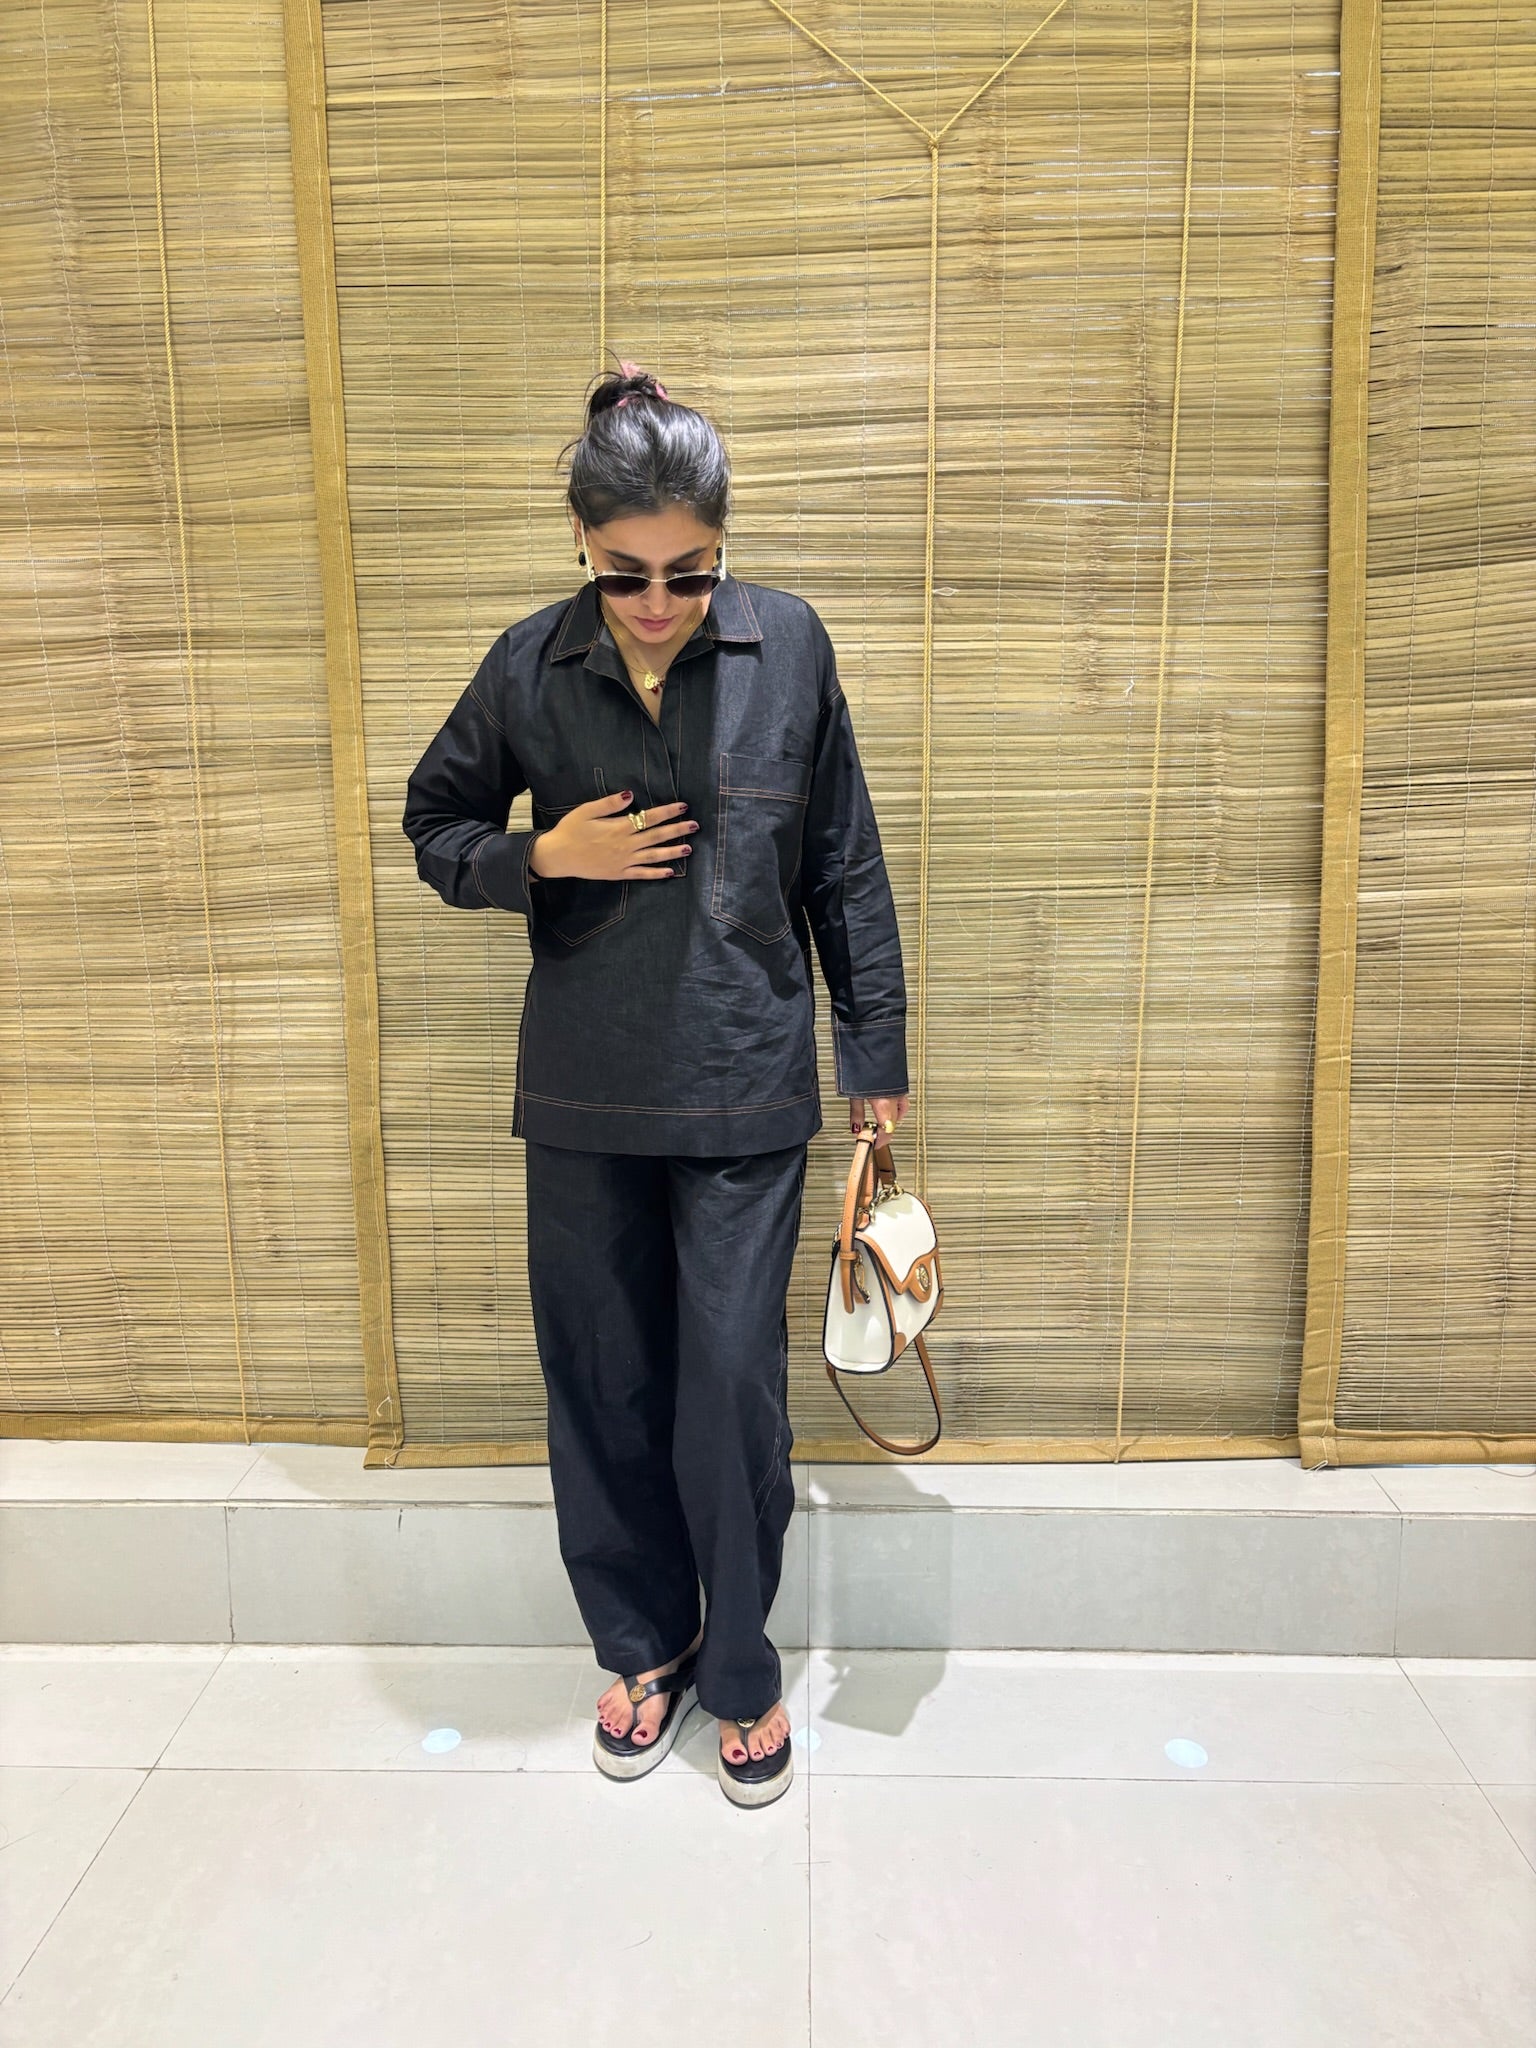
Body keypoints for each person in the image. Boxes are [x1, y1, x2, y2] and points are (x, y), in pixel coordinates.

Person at [401, 358, 910, 1809]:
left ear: (722, 549)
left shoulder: (789, 647)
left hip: (746, 1080)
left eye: (691, 573)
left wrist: (875, 1054)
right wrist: (539, 857)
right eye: (625, 574)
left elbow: (842, 862)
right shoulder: (527, 666)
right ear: (580, 544)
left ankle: (739, 1661)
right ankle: (641, 1643)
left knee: (731, 1385)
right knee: (603, 1378)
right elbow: (434, 823)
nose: (657, 602)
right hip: (581, 1089)